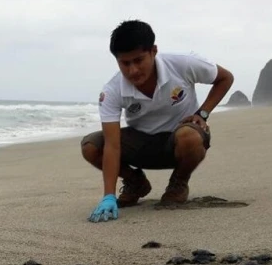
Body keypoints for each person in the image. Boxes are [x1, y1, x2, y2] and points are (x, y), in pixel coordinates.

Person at [81, 20, 234, 222]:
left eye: (138, 60)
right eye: (125, 63)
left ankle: (178, 182)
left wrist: (203, 113)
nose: (133, 70)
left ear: (153, 51)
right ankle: (135, 182)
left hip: (180, 140)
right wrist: (108, 195)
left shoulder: (182, 64)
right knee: (91, 146)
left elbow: (225, 78)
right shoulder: (111, 90)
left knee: (189, 136)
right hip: (141, 145)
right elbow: (112, 145)